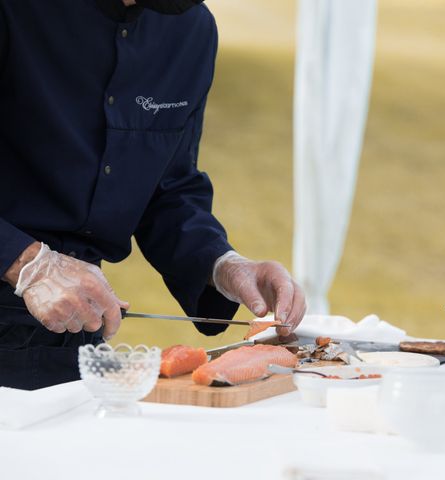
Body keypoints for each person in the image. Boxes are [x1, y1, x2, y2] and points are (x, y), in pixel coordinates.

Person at [0, 0, 306, 390]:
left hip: (73, 338)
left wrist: (221, 263)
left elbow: (169, 186)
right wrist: (26, 262)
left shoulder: (192, 31)